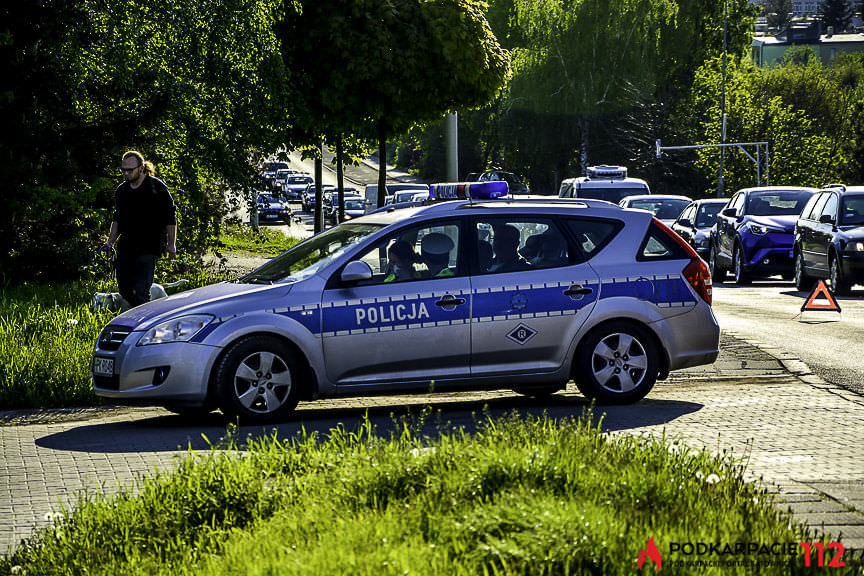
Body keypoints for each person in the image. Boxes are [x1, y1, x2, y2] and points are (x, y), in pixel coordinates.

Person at [103, 151, 177, 308]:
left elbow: (170, 218)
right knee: (125, 291)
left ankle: (143, 326)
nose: (126, 173)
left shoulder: (157, 188)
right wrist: (110, 242)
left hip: (150, 247)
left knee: (141, 291)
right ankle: (132, 320)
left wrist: (171, 244)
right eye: (123, 169)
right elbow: (117, 219)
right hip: (126, 246)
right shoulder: (122, 191)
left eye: (130, 170)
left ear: (142, 168)